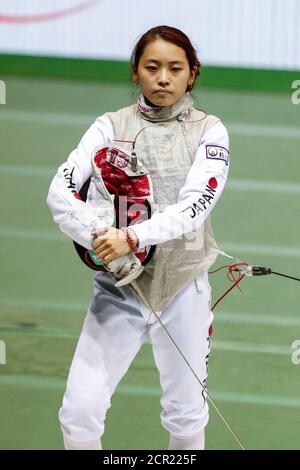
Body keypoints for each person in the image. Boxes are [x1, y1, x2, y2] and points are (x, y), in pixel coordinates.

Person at [47, 25, 230, 451]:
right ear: (136, 72)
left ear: (192, 73)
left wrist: (131, 236)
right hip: (118, 288)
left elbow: (193, 207)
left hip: (184, 287)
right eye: (152, 67)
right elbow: (60, 191)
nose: (163, 78)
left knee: (185, 413)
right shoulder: (109, 126)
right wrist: (99, 235)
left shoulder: (211, 131)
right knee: (78, 415)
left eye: (174, 68)